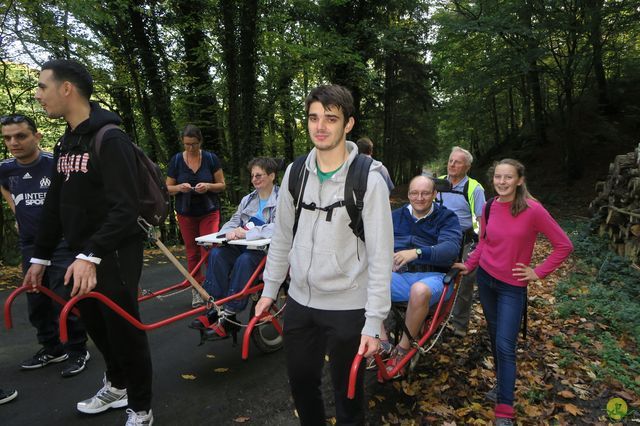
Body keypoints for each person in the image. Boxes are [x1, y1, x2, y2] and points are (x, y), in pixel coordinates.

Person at [254, 84, 394, 425]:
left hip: (349, 307)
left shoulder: (368, 180)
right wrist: (269, 290)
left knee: (348, 398)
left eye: (330, 119)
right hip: (300, 303)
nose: (320, 126)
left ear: (348, 124)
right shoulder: (295, 173)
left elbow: (380, 256)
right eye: (314, 117)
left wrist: (374, 322)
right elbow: (282, 237)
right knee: (302, 386)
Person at [24, 59, 154, 425]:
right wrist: (42, 258)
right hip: (82, 256)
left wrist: (92, 253)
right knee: (96, 324)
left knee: (125, 330)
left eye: (42, 86)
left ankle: (141, 407)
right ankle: (116, 385)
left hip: (113, 253)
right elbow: (55, 205)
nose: (38, 95)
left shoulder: (110, 138)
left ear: (67, 88)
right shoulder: (66, 142)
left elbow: (125, 208)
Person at [453, 159, 573, 426]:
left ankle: (504, 410)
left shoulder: (533, 210)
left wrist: (538, 272)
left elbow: (564, 245)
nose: (502, 182)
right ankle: (501, 385)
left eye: (508, 177)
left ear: (520, 180)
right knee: (496, 338)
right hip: (486, 280)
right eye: (498, 177)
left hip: (511, 287)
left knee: (506, 345)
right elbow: (483, 242)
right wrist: (470, 265)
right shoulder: (489, 207)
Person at [1, 114, 89, 377]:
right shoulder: (5, 168)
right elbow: (6, 188)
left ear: (37, 136)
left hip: (61, 241)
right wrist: (17, 211)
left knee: (64, 295)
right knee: (35, 297)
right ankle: (52, 348)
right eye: (7, 138)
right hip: (30, 243)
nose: (13, 142)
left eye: (21, 136)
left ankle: (77, 349)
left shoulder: (56, 164)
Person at [378, 175, 461, 376]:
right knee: (360, 280)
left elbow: (450, 249)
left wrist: (417, 253)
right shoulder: (394, 216)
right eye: (414, 193)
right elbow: (375, 241)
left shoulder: (446, 217)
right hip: (399, 277)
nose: (419, 198)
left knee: (419, 290)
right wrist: (384, 256)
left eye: (425, 193)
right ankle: (382, 342)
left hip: (433, 277)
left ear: (434, 194)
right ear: (408, 195)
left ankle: (403, 349)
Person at [191, 157, 279, 332]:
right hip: (243, 245)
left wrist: (248, 233)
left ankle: (230, 313)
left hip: (266, 250)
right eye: (252, 175)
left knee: (245, 260)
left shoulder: (282, 199)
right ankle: (215, 308)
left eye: (259, 175)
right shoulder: (248, 199)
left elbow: (279, 227)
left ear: (272, 176)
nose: (254, 179)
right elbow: (234, 221)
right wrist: (224, 235)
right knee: (217, 254)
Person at [166, 124, 225, 308]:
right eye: (186, 144)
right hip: (186, 213)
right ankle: (197, 290)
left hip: (209, 211)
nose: (190, 148)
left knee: (208, 249)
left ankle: (214, 288)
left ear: (200, 142)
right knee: (192, 252)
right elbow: (167, 188)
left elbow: (222, 184)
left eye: (193, 144)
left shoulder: (210, 158)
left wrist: (208, 186)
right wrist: (179, 188)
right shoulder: (176, 161)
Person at [437, 146, 486, 337]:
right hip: (439, 237)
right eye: (450, 160)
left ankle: (459, 324)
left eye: (457, 162)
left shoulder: (474, 188)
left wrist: (480, 248)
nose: (452, 164)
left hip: (465, 240)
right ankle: (433, 317)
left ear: (467, 166)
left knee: (465, 281)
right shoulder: (438, 183)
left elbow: (482, 222)